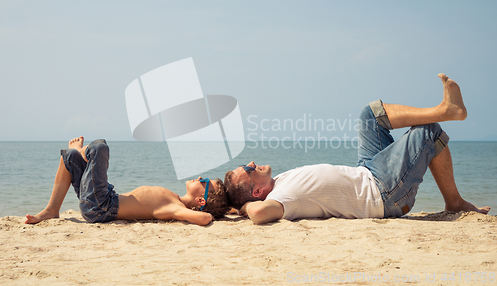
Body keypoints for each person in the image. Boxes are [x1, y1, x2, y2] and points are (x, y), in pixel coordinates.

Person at [224, 74, 491, 224]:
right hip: (384, 194)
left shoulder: (278, 183)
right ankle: (454, 202)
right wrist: (245, 205)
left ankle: (443, 110)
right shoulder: (281, 200)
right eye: (247, 170)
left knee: (370, 113)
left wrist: (233, 204)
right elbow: (259, 214)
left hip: (368, 173)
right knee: (427, 132)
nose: (250, 163)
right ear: (257, 191)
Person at [25, 137, 229, 226]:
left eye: (204, 182)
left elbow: (203, 219)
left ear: (201, 201)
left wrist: (210, 214)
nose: (200, 177)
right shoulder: (174, 199)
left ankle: (83, 151)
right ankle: (52, 210)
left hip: (102, 206)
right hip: (104, 200)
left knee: (99, 148)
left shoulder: (174, 207)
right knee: (69, 157)